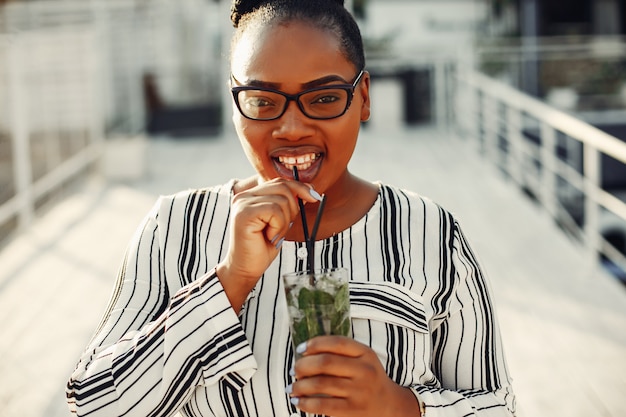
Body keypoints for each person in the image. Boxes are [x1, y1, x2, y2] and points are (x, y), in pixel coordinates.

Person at [66, 1, 516, 416]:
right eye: (263, 101)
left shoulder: (430, 232)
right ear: (236, 105)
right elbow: (91, 405)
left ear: (363, 98)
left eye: (323, 98)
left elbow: (498, 405)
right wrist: (230, 281)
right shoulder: (173, 229)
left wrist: (401, 406)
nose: (292, 128)